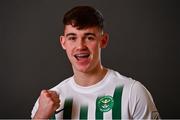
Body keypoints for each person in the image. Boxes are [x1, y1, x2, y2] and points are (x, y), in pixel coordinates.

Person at [31, 6, 160, 119]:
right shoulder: (47, 101)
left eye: (89, 37)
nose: (80, 46)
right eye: (72, 38)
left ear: (103, 41)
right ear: (63, 42)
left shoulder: (133, 92)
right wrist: (40, 117)